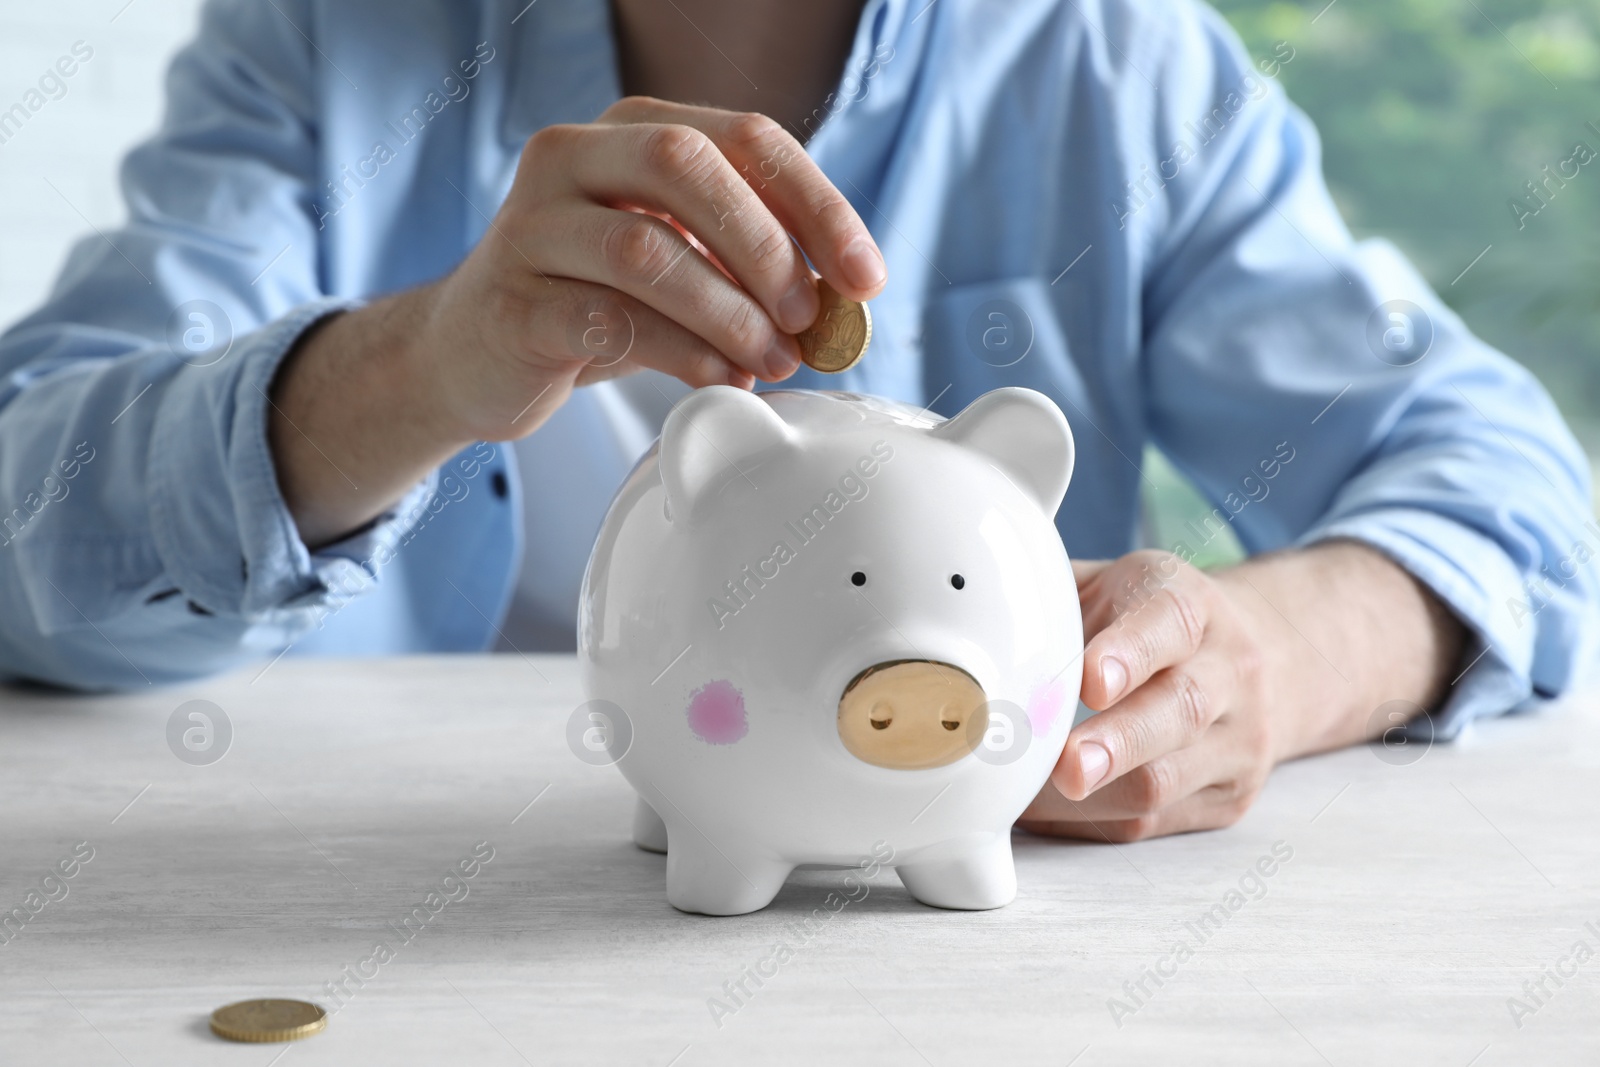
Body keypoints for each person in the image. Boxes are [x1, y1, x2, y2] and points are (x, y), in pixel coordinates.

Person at [0, 0, 1593, 843]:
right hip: (389, 942)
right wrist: (418, 362)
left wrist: (1270, 655)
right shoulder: (322, 49)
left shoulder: (1115, 64)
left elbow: (1510, 483)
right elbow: (29, 522)